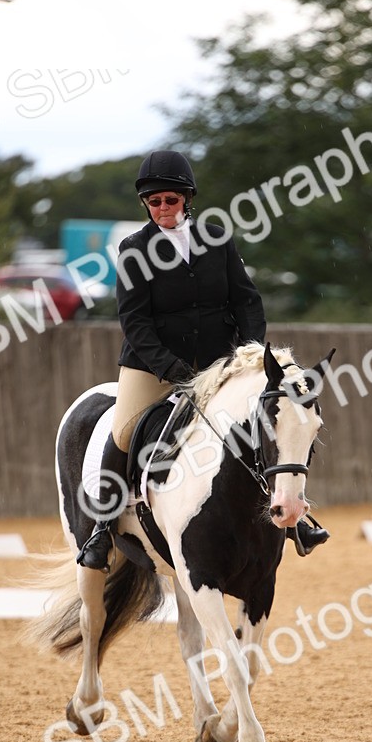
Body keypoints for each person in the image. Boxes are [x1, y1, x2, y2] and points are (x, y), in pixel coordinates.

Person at [76, 150, 329, 570]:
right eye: (154, 202)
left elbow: (246, 301)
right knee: (123, 433)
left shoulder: (217, 239)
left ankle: (292, 520)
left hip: (220, 364)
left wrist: (249, 354)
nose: (162, 209)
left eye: (170, 201)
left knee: (265, 424)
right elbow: (134, 321)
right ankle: (102, 528)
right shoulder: (133, 249)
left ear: (187, 199)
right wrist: (170, 368)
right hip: (153, 365)